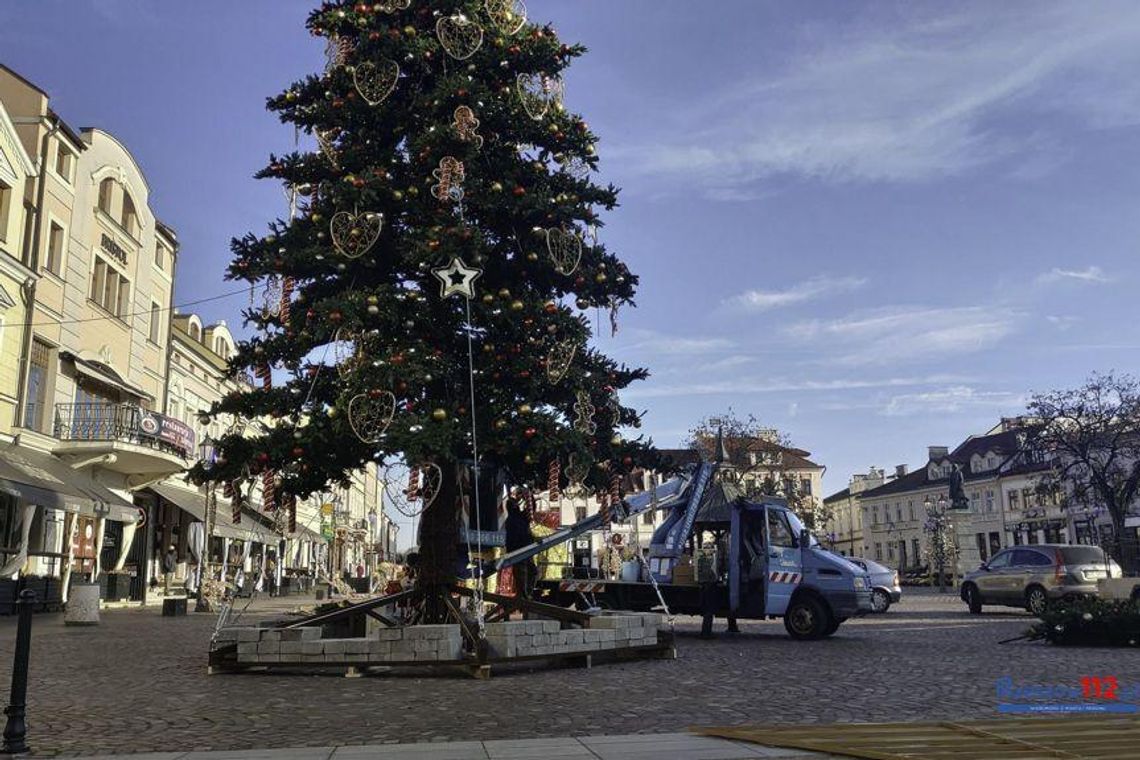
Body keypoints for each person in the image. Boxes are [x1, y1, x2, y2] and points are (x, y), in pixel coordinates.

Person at [696, 544, 719, 639]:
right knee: (709, 611)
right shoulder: (708, 560)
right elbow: (711, 573)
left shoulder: (701, 559)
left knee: (707, 611)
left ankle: (705, 632)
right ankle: (706, 633)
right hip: (709, 586)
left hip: (704, 586)